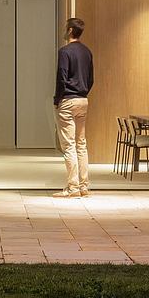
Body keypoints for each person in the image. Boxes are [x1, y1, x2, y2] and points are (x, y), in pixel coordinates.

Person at [52, 17, 94, 199]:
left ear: (70, 31)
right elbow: (91, 79)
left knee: (69, 145)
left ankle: (72, 187)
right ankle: (84, 186)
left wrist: (57, 99)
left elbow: (61, 78)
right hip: (83, 100)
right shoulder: (87, 52)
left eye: (65, 28)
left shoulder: (65, 52)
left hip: (68, 100)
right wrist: (83, 91)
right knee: (81, 144)